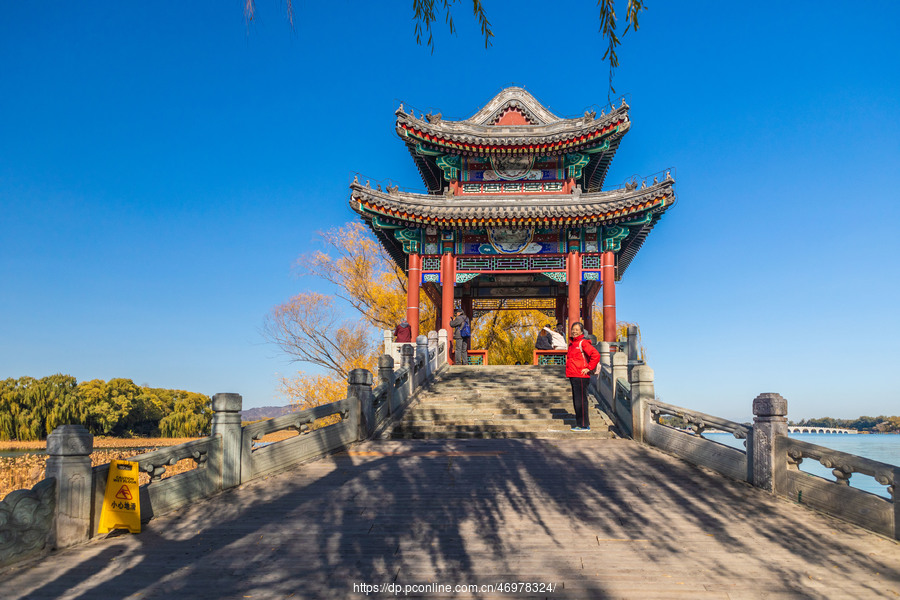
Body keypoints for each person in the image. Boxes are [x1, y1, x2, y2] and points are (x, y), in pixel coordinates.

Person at [566, 321, 600, 432]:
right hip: (573, 375)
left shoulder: (583, 343)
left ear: (581, 331)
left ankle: (584, 425)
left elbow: (596, 355)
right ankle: (579, 424)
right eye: (573, 329)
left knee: (581, 400)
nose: (574, 331)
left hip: (581, 375)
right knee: (577, 401)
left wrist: (589, 368)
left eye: (576, 329)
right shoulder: (572, 344)